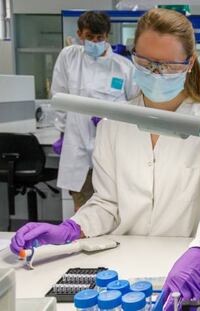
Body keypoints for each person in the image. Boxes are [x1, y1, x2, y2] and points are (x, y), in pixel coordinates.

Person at [10, 8, 200, 310]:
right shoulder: (113, 124)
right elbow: (107, 204)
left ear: (189, 64)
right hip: (126, 270)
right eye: (146, 63)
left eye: (168, 65)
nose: (156, 73)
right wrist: (72, 228)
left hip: (190, 269)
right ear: (133, 56)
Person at [52, 11, 138, 211]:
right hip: (77, 145)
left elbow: (136, 105)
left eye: (100, 38)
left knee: (113, 210)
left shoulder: (124, 67)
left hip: (112, 148)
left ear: (107, 36)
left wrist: (110, 116)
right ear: (80, 34)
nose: (95, 42)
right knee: (81, 211)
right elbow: (59, 95)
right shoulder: (69, 57)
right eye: (90, 37)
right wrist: (62, 130)